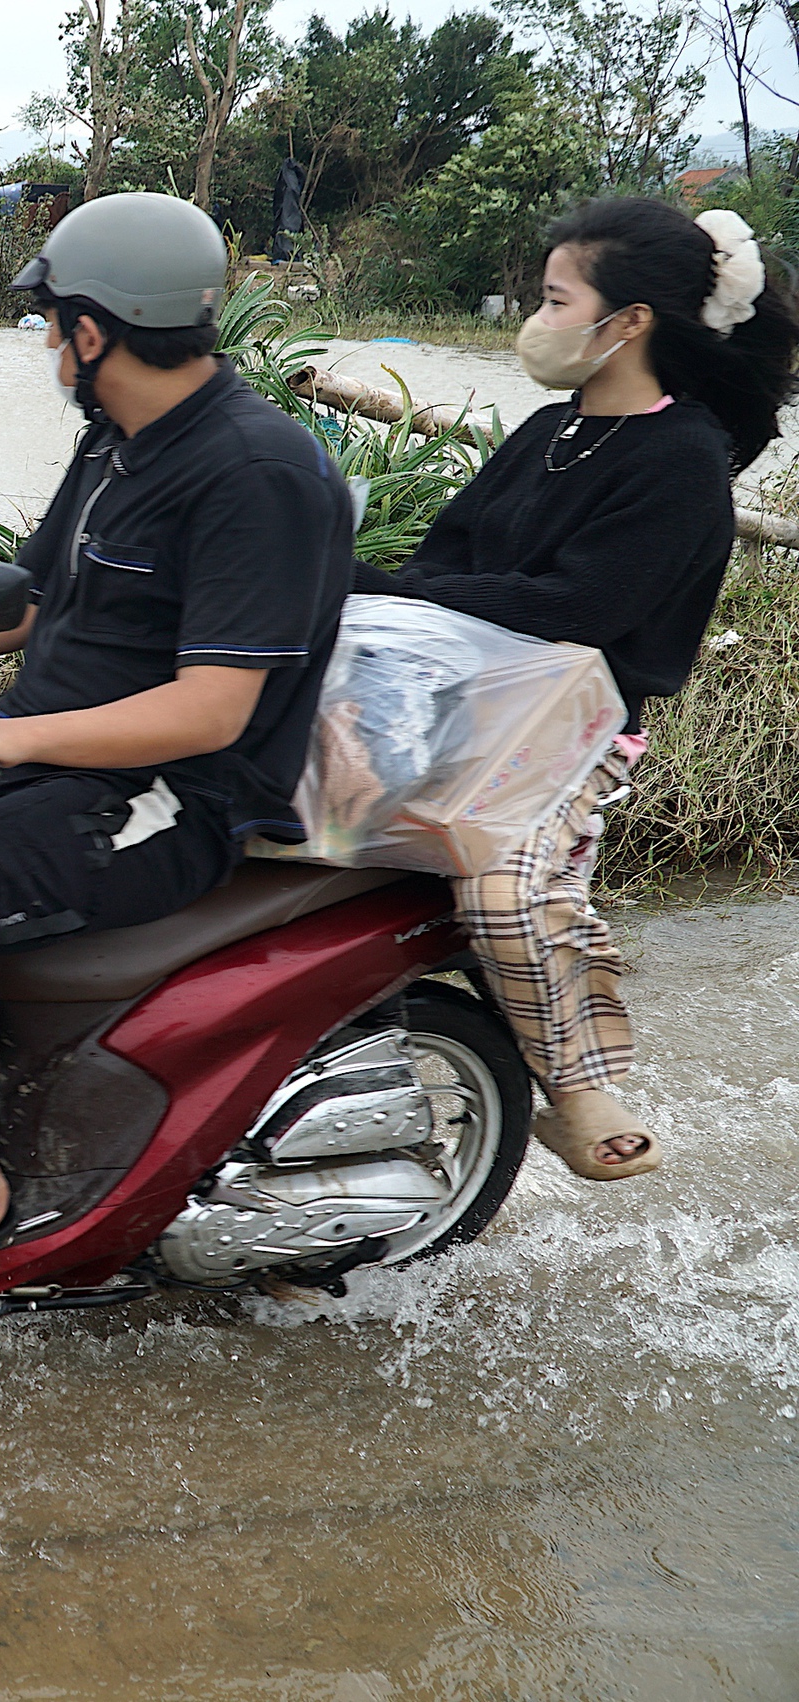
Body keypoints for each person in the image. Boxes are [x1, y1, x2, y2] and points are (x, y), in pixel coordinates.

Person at [0, 192, 355, 1294]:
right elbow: (21, 603)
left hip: (170, 794)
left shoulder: (256, 472)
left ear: (93, 331)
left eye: (51, 319)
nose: (47, 341)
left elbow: (212, 711)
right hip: (55, 757)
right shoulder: (118, 441)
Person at [352, 197, 798, 1182]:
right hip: (453, 705)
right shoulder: (547, 429)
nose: (535, 316)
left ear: (626, 320)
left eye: (554, 298)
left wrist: (385, 587)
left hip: (568, 734)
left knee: (504, 887)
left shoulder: (681, 459)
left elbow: (577, 606)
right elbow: (448, 558)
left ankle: (578, 1088)